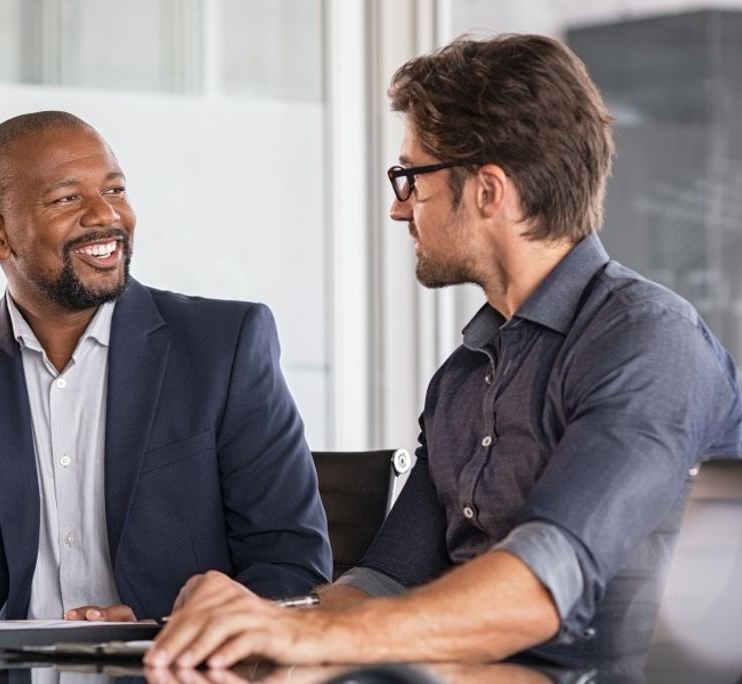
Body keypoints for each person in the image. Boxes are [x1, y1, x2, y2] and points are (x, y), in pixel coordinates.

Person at [148, 34, 742, 675]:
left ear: (488, 190)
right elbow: (383, 584)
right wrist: (256, 623)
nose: (399, 207)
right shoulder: (463, 378)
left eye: (411, 177)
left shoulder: (647, 341)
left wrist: (323, 644)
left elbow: (543, 585)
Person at [0, 111, 331, 622]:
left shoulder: (223, 348)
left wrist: (163, 631)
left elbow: (292, 568)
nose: (104, 215)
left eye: (114, 190)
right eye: (67, 198)